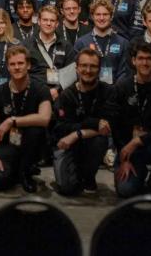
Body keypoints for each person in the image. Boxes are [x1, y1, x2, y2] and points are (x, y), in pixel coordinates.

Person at [109, 43, 151, 200]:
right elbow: (115, 124)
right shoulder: (122, 87)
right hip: (127, 149)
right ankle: (139, 174)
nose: (145, 63)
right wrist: (123, 155)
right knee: (125, 191)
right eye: (140, 58)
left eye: (149, 59)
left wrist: (138, 141)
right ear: (133, 61)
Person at [0, 46, 52, 192]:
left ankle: (25, 172)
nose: (16, 67)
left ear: (28, 65)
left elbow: (45, 118)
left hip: (32, 144)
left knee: (35, 129)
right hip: (8, 144)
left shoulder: (41, 89)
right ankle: (16, 170)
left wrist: (12, 121)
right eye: (12, 64)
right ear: (8, 67)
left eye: (20, 63)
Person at [52, 48, 115, 196]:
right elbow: (60, 128)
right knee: (66, 189)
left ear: (99, 69)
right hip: (68, 145)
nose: (88, 70)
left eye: (93, 66)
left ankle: (88, 177)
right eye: (84, 66)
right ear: (77, 68)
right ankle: (76, 173)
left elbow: (108, 126)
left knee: (100, 140)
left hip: (90, 142)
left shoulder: (108, 92)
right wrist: (93, 124)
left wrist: (77, 133)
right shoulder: (67, 95)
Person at [73, 0, 130, 85]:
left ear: (111, 16)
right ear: (92, 16)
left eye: (105, 14)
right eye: (98, 14)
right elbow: (77, 71)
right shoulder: (81, 42)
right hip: (89, 91)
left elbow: (124, 72)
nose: (101, 18)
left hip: (115, 93)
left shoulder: (123, 43)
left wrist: (114, 91)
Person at [24, 5, 76, 96]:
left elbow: (71, 74)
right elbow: (22, 72)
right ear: (39, 22)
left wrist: (57, 90)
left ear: (57, 24)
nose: (48, 23)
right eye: (45, 20)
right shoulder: (27, 45)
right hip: (33, 94)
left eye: (52, 21)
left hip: (59, 95)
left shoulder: (66, 46)